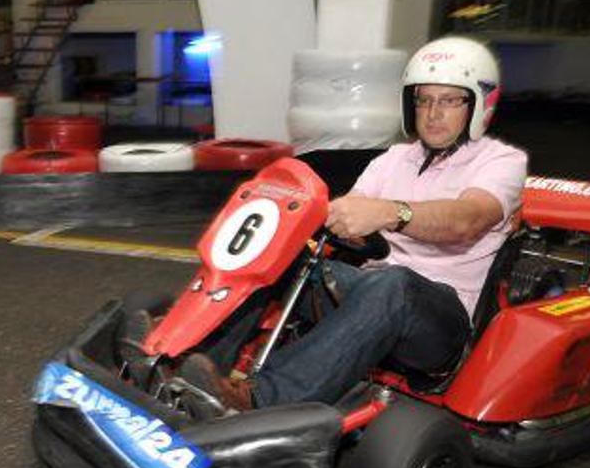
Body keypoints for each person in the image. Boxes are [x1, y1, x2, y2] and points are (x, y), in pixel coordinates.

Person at [179, 36, 528, 411]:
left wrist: (391, 212)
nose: (432, 113)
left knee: (395, 284)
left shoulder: (501, 162)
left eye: (448, 101)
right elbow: (350, 215)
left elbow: (467, 220)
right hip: (369, 295)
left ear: (479, 103)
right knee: (282, 258)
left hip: (440, 325)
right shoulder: (393, 159)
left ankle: (261, 398)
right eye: (424, 100)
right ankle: (192, 364)